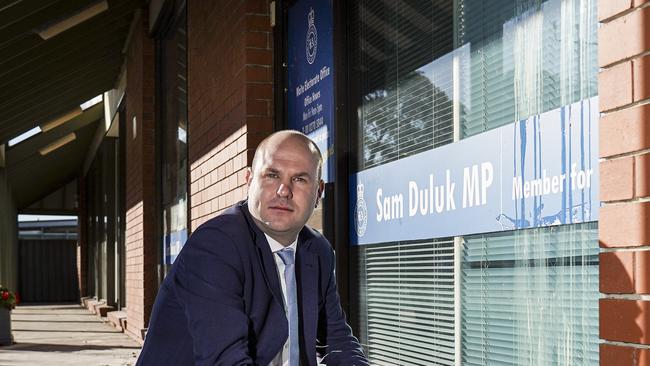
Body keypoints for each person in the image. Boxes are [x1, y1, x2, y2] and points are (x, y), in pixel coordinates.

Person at [137, 130, 368, 366]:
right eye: (272, 175)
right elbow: (226, 361)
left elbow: (336, 340)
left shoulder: (317, 250)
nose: (284, 191)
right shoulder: (216, 245)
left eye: (299, 179)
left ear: (318, 192)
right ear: (249, 180)